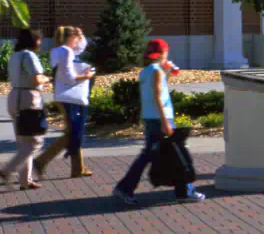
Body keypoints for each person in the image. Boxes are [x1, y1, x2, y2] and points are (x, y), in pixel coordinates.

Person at [113, 38, 205, 206]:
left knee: (152, 155)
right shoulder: (156, 71)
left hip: (150, 117)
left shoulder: (147, 71)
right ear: (164, 52)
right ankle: (184, 191)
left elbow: (158, 90)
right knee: (177, 153)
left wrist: (167, 72)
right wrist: (165, 122)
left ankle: (126, 187)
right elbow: (157, 96)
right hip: (160, 118)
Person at [0, 27, 50, 189]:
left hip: (14, 97)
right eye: (39, 39)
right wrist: (48, 78)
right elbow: (36, 78)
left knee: (24, 142)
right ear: (34, 41)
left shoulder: (15, 56)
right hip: (28, 98)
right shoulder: (29, 55)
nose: (41, 42)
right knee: (34, 142)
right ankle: (6, 170)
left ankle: (25, 181)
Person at [41, 24, 94, 179]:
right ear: (70, 38)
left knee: (73, 132)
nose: (78, 41)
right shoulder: (66, 52)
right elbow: (68, 77)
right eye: (76, 38)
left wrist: (81, 35)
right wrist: (87, 76)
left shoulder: (59, 51)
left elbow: (80, 48)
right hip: (71, 96)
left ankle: (78, 168)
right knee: (73, 133)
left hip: (63, 95)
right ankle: (41, 161)